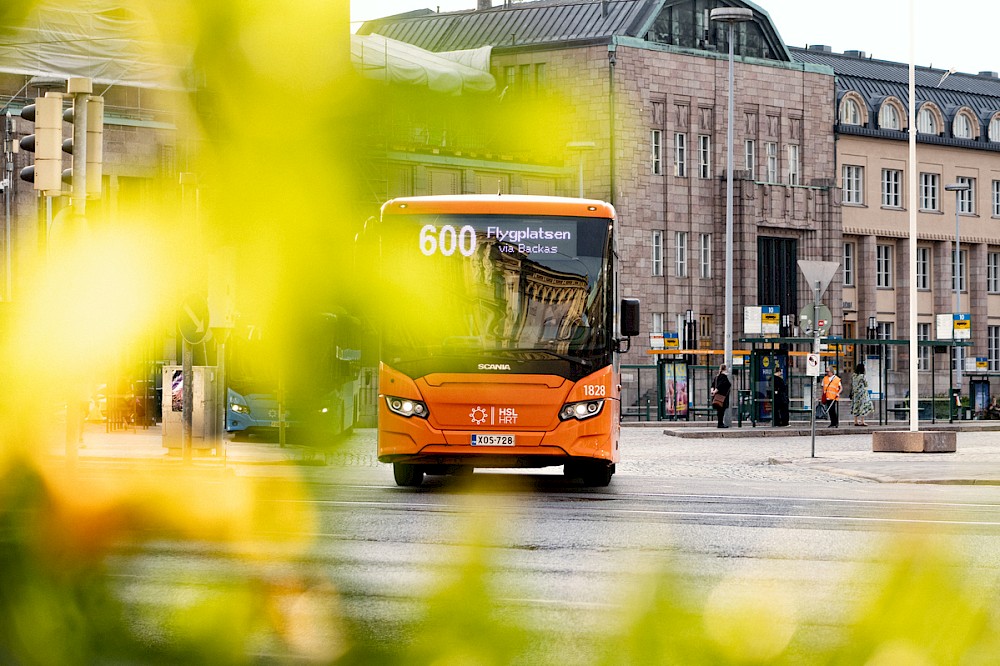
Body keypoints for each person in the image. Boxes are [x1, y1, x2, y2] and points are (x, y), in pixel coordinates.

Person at [850, 362, 874, 426]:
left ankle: (855, 421)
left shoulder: (854, 376)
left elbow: (852, 385)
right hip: (862, 394)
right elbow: (866, 384)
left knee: (856, 406)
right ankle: (862, 421)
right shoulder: (862, 376)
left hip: (855, 394)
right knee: (862, 406)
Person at [711, 363, 732, 429]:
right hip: (722, 397)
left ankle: (720, 423)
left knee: (719, 411)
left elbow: (713, 385)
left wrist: (712, 391)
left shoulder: (717, 377)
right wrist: (715, 391)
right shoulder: (723, 377)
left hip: (717, 397)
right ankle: (720, 424)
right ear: (725, 369)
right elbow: (720, 385)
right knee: (721, 411)